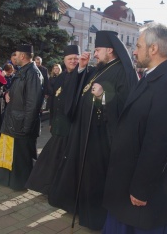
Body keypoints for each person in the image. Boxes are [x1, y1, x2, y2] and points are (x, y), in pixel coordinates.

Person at [102, 22, 167, 233]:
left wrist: (141, 189)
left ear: (153, 48)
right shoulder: (152, 76)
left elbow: (159, 143)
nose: (134, 50)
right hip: (128, 181)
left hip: (143, 193)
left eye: (139, 45)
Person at [48, 30, 138, 230]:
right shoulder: (100, 68)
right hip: (85, 133)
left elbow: (127, 104)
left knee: (96, 178)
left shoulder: (123, 71)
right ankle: (83, 210)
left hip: (101, 138)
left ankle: (96, 218)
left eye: (97, 50)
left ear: (110, 50)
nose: (94, 54)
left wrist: (104, 96)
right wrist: (81, 68)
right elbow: (82, 88)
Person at [26, 45, 85, 194]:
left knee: (59, 157)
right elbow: (53, 101)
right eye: (70, 59)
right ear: (64, 60)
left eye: (75, 58)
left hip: (72, 126)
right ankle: (48, 186)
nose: (73, 61)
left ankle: (55, 188)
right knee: (53, 157)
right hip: (59, 124)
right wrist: (52, 121)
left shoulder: (84, 74)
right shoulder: (61, 77)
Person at [0, 44, 43, 191]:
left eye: (16, 54)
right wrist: (9, 93)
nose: (13, 57)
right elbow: (20, 93)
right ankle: (11, 181)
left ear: (22, 56)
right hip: (15, 120)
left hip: (22, 123)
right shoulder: (23, 71)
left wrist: (26, 126)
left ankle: (22, 183)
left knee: (22, 156)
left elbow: (33, 103)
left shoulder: (33, 73)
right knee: (14, 154)